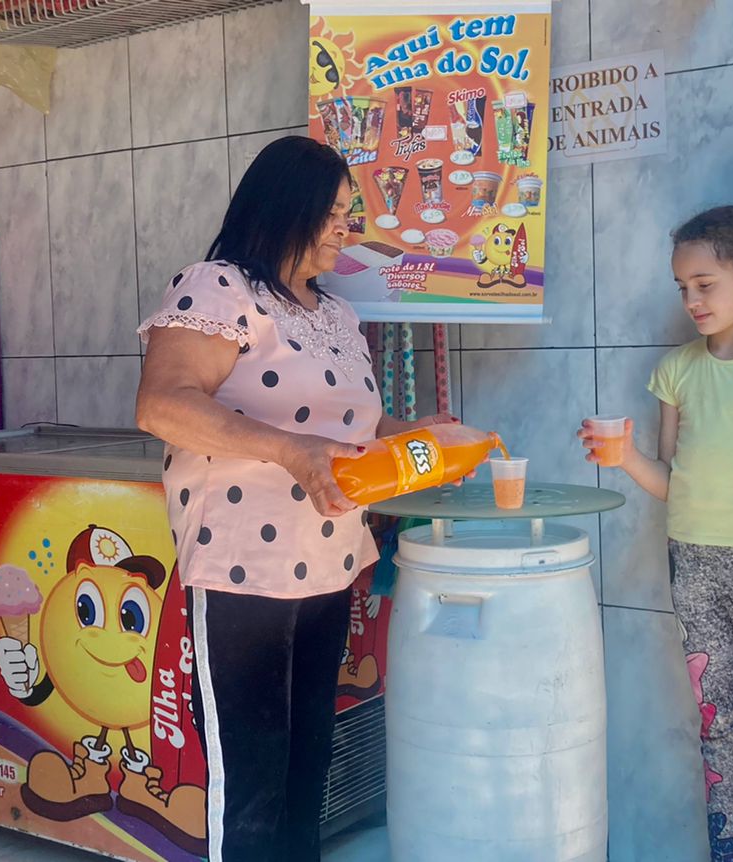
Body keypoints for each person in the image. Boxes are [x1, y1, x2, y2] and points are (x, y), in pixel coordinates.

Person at [135, 135, 454, 861]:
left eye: (351, 211)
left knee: (308, 763)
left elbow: (352, 431)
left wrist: (422, 439)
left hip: (331, 563)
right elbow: (162, 404)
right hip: (243, 567)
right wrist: (289, 452)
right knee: (252, 785)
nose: (348, 226)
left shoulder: (336, 314)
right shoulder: (218, 288)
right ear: (289, 207)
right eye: (335, 211)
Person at [579, 205, 733, 860]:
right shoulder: (677, 373)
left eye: (705, 283)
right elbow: (674, 480)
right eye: (682, 287)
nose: (692, 299)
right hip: (689, 566)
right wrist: (626, 460)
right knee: (717, 729)